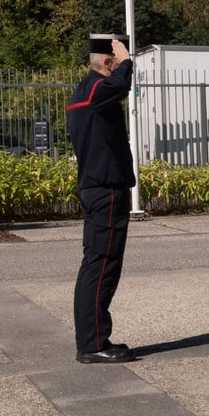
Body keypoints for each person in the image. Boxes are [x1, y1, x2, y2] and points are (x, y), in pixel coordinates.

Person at [68, 33, 137, 364]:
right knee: (102, 265)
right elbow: (119, 86)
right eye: (116, 62)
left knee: (96, 263)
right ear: (107, 62)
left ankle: (94, 337)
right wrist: (127, 63)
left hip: (97, 189)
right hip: (105, 191)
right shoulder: (97, 88)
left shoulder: (84, 92)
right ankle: (93, 343)